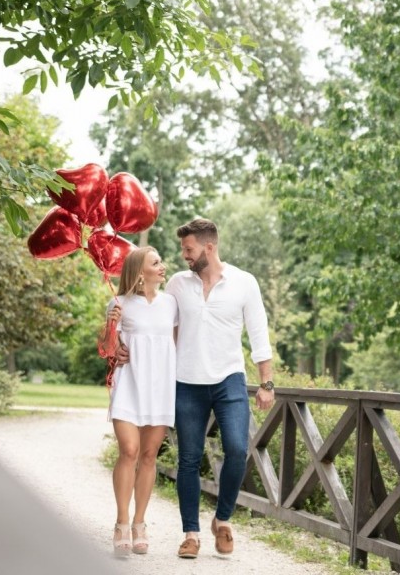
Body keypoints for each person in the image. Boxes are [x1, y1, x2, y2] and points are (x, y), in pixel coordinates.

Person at [114, 218, 275, 559]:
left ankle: (223, 519)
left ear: (209, 247)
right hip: (186, 381)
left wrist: (266, 383)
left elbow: (259, 335)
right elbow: (152, 320)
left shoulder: (244, 283)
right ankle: (191, 534)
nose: (184, 256)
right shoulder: (176, 284)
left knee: (236, 449)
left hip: (229, 378)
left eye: (189, 249)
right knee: (188, 458)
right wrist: (119, 343)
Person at [104, 246, 178, 557]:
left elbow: (175, 343)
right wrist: (110, 327)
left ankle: (139, 523)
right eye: (156, 262)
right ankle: (121, 522)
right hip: (129, 384)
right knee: (129, 451)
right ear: (139, 272)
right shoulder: (119, 303)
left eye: (161, 262)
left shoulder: (171, 304)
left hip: (160, 386)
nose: (163, 266)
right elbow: (107, 349)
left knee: (148, 455)